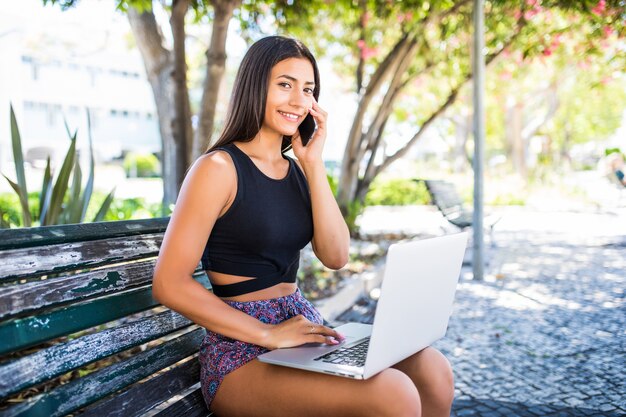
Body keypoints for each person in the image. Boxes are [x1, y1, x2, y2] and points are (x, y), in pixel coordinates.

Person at [152, 35, 454, 417]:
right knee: (393, 394)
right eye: (284, 85)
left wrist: (313, 163)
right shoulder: (218, 169)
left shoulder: (296, 169)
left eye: (308, 89)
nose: (298, 101)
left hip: (302, 332)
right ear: (254, 86)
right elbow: (168, 283)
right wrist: (266, 333)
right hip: (240, 355)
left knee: (433, 370)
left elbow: (336, 255)